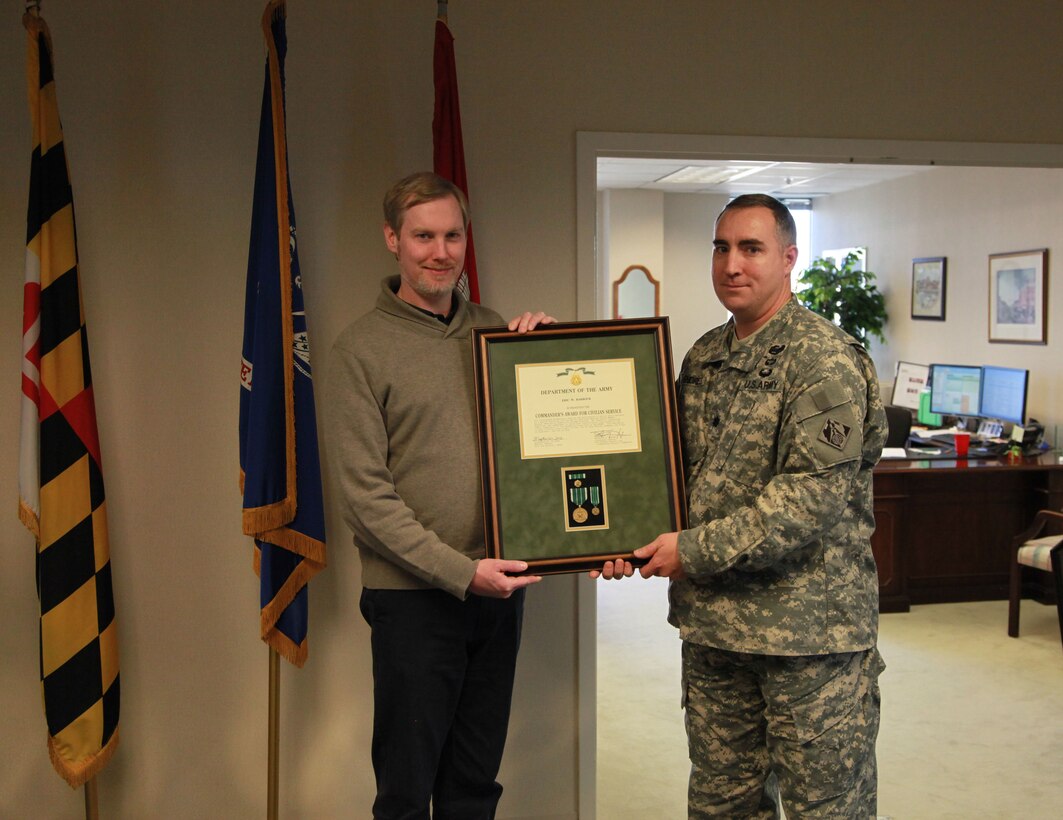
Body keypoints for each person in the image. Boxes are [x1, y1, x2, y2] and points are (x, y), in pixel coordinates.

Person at [597, 194, 887, 817]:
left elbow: (808, 502)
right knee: (722, 806)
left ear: (788, 259)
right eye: (721, 247)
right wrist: (619, 535)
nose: (732, 264)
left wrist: (689, 550)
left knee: (826, 810)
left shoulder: (823, 360)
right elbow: (657, 467)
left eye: (751, 249)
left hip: (809, 640)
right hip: (716, 632)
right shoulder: (705, 356)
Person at [324, 171, 548, 819]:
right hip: (413, 603)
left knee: (474, 787)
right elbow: (367, 502)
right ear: (392, 239)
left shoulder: (494, 331)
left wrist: (550, 356)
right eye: (423, 236)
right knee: (404, 791)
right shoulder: (359, 351)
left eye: (452, 235)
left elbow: (536, 445)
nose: (440, 252)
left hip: (497, 590)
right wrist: (460, 572)